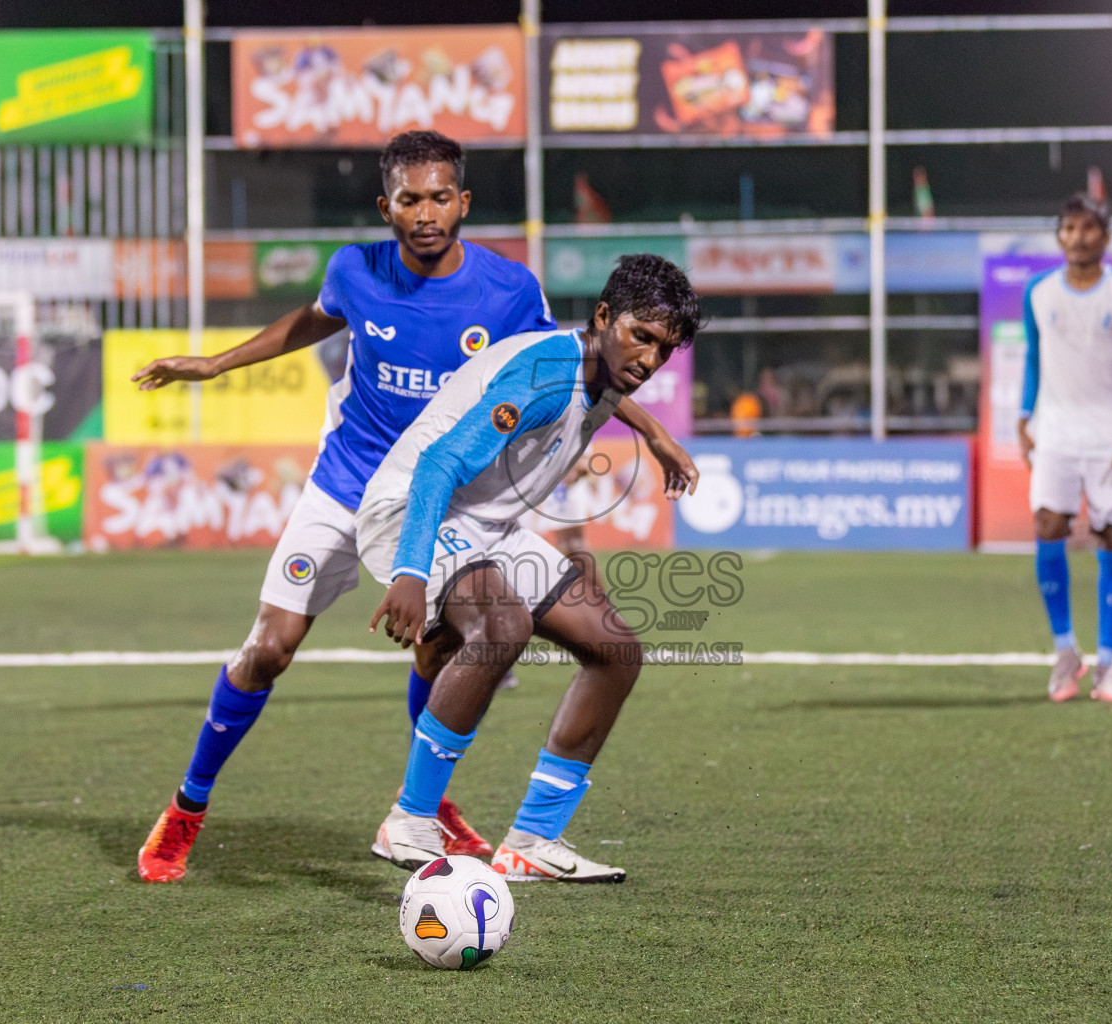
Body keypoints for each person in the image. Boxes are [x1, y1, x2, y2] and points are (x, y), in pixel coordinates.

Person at [129, 131, 696, 883]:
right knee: (272, 649)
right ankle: (192, 806)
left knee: (536, 643)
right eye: (408, 199)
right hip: (367, 487)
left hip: (461, 498)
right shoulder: (355, 272)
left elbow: (572, 373)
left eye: (438, 197)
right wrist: (217, 363)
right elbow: (320, 324)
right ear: (386, 206)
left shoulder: (512, 294)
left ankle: (480, 824)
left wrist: (651, 431)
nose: (424, 213)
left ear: (463, 203)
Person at [361, 253, 701, 882]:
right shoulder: (544, 378)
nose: (650, 361)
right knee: (503, 629)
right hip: (414, 509)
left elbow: (600, 384)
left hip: (488, 524)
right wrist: (411, 572)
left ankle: (533, 840)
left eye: (666, 349)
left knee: (616, 650)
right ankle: (407, 821)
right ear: (603, 317)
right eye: (641, 337)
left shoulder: (601, 371)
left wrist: (654, 433)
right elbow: (438, 466)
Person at [1018, 194, 1112, 705]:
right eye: (1068, 228)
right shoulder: (1037, 293)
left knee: (1111, 536)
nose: (1077, 237)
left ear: (1105, 238)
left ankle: (1107, 664)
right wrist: (1024, 417)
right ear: (1059, 236)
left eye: (1087, 229)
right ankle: (1066, 652)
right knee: (1048, 527)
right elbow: (1034, 361)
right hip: (1057, 432)